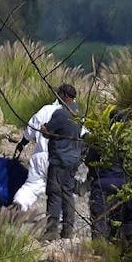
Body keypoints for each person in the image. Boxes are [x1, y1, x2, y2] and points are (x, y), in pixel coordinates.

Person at [12, 84, 78, 211]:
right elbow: (82, 136)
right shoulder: (73, 115)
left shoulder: (45, 110)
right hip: (59, 159)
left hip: (39, 157)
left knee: (31, 186)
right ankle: (58, 217)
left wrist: (21, 144)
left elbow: (30, 131)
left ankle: (20, 202)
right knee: (61, 191)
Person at [42, 97, 85, 240]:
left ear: (64, 96)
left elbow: (47, 131)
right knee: (68, 194)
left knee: (54, 193)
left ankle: (51, 230)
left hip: (59, 159)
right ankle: (68, 230)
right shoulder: (78, 113)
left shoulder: (61, 113)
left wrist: (43, 128)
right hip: (73, 160)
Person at [84, 110, 128, 240]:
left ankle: (99, 248)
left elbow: (90, 161)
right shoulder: (129, 140)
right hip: (124, 186)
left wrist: (94, 176)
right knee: (120, 222)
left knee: (99, 221)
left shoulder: (101, 138)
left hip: (103, 185)